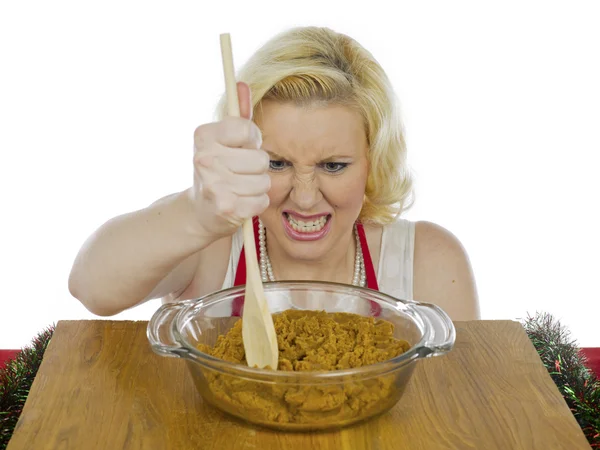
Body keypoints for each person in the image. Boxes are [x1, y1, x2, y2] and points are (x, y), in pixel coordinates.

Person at [68, 26, 480, 321]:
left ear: (374, 161)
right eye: (276, 163)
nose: (303, 197)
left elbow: (459, 414)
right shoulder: (211, 248)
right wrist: (195, 214)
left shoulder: (429, 261)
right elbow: (90, 287)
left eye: (333, 166)